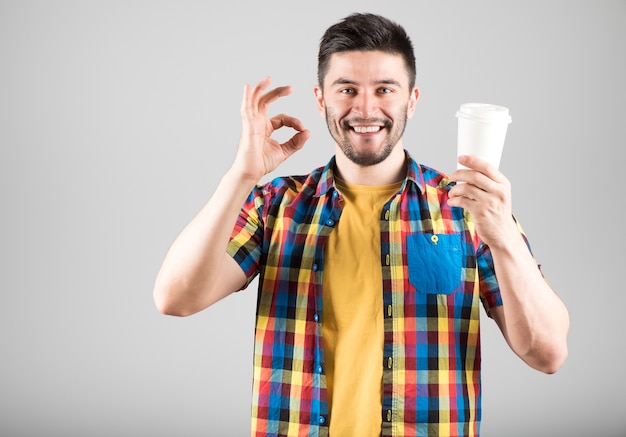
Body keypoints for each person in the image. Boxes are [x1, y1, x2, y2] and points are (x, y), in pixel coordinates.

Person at [153, 12, 569, 437]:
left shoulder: (469, 209)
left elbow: (547, 354)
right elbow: (176, 298)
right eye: (347, 89)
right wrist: (240, 176)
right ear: (321, 100)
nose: (365, 108)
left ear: (412, 99)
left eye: (384, 89)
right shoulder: (276, 206)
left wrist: (503, 238)